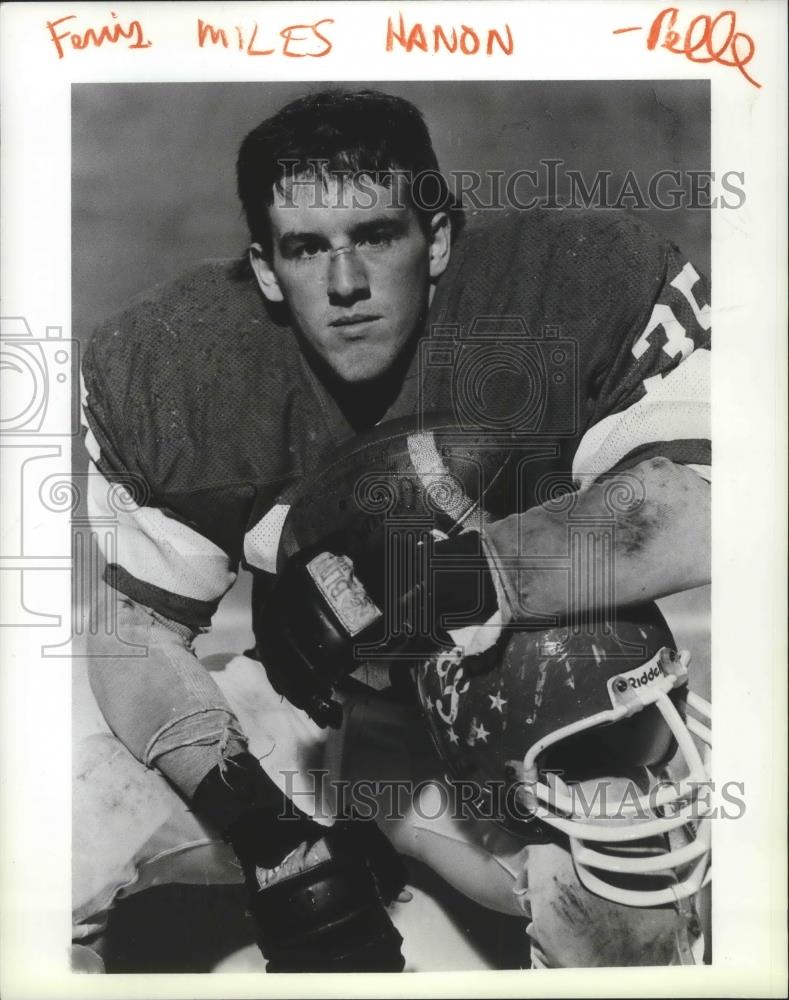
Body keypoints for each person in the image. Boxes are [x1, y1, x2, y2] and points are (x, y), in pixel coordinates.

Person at [75, 88, 711, 971]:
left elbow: (713, 502)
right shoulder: (179, 369)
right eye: (305, 248)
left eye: (375, 235)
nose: (344, 285)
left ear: (438, 237)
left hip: (539, 694)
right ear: (264, 267)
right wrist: (263, 833)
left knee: (631, 864)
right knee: (59, 803)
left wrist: (457, 578)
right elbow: (133, 634)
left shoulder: (570, 285)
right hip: (339, 721)